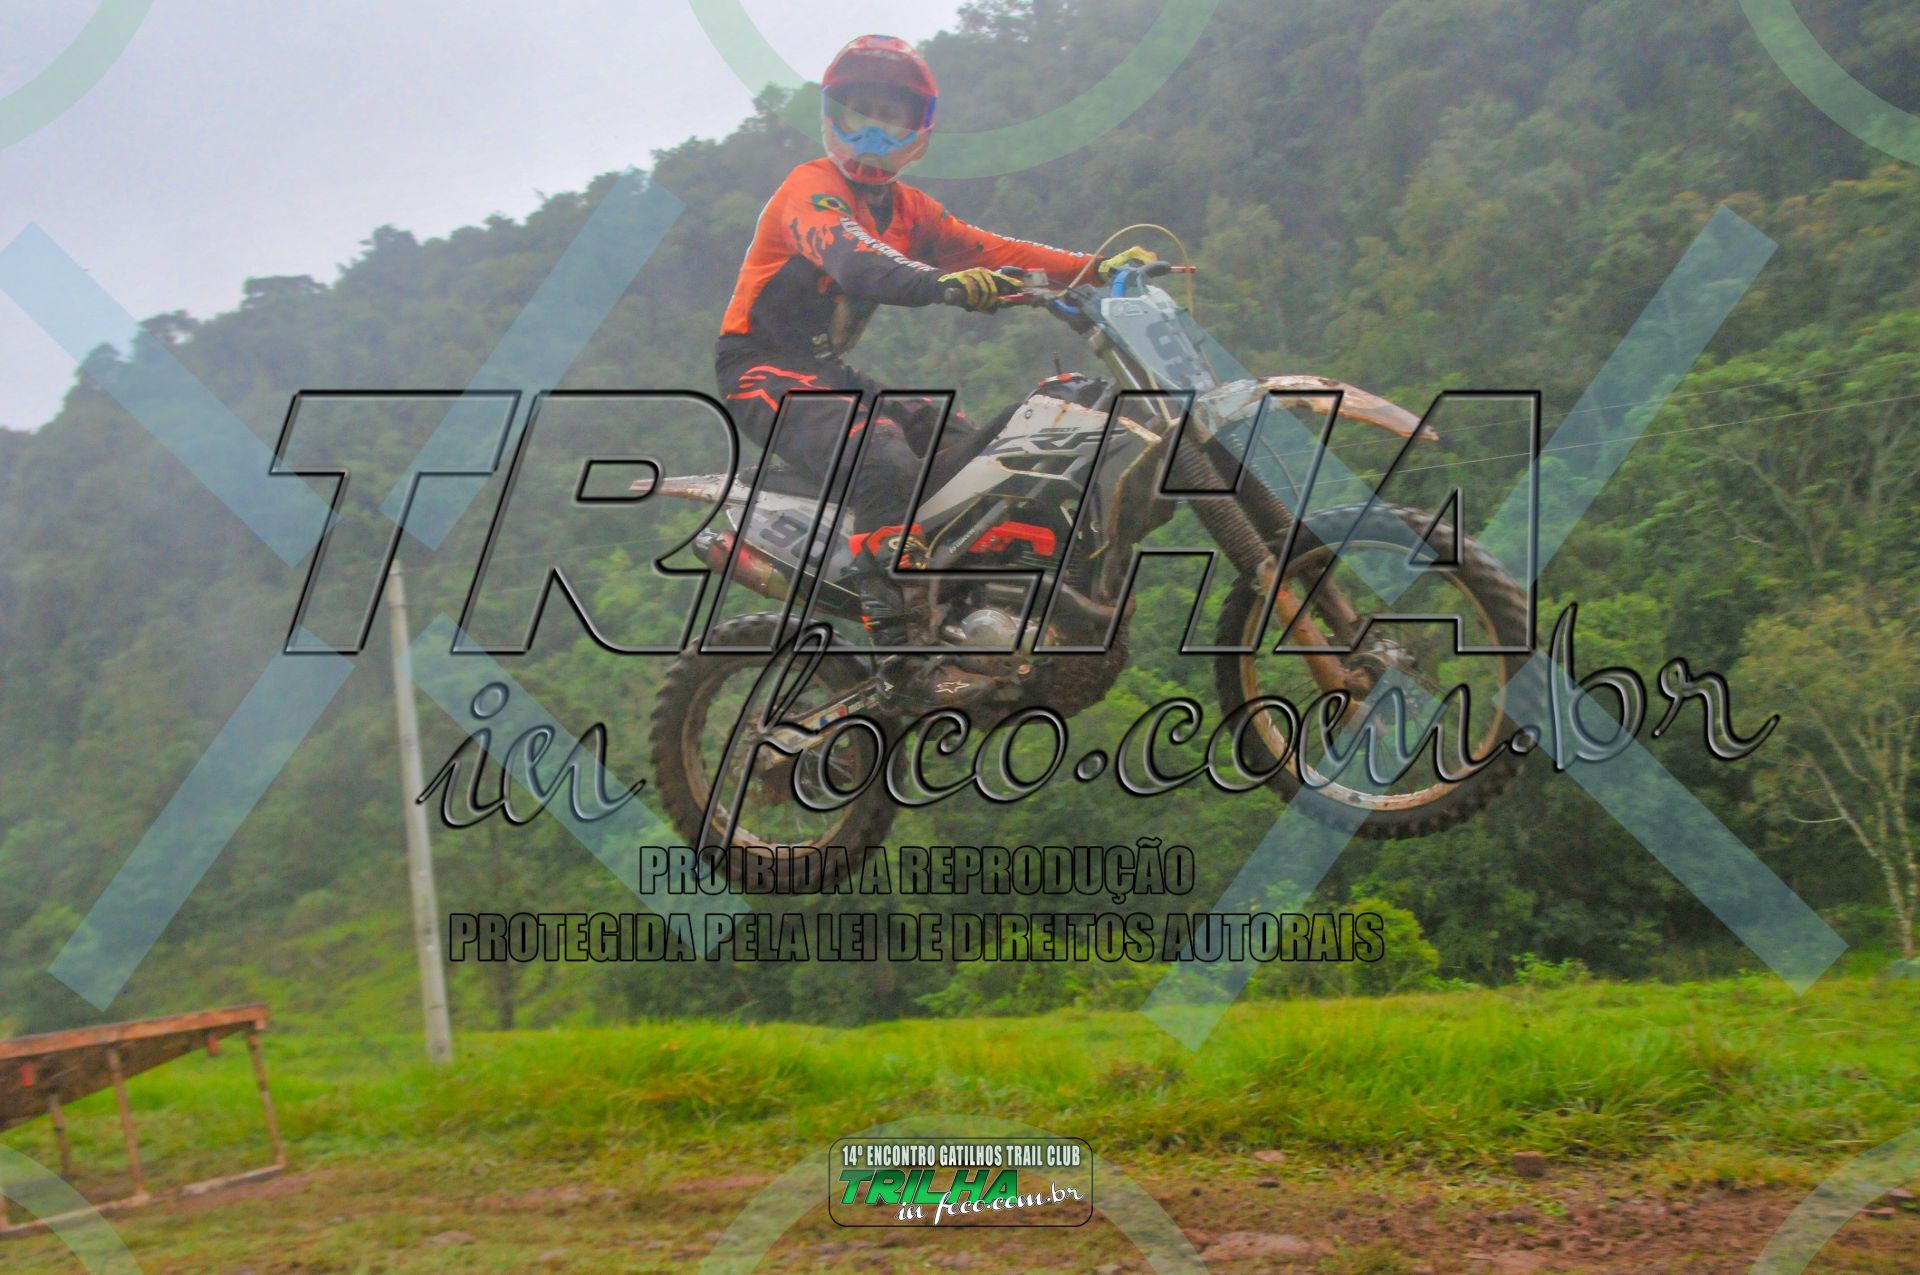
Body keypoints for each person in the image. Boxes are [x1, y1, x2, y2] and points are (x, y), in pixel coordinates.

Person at [715, 33, 1154, 644]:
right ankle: (895, 631)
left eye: (890, 115)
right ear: (832, 115)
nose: (873, 129)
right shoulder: (809, 189)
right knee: (877, 450)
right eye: (859, 111)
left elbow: (993, 250)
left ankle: (970, 595)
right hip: (760, 369)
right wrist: (941, 283)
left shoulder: (910, 210)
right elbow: (855, 259)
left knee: (969, 448)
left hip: (827, 371)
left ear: (918, 128)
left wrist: (1095, 269)